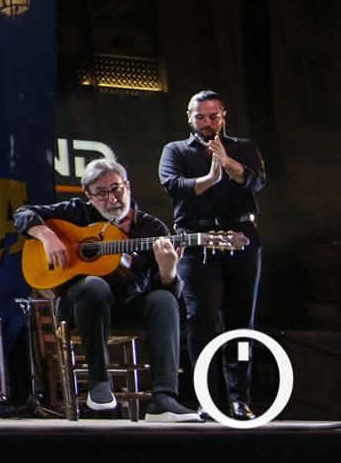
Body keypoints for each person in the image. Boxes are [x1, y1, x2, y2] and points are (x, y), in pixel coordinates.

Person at [15, 158, 202, 422]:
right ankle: (99, 383)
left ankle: (164, 399)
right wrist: (47, 236)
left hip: (125, 307)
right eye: (101, 193)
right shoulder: (77, 212)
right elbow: (22, 214)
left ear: (127, 186)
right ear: (89, 196)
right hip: (79, 306)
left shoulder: (153, 229)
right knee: (94, 286)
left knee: (163, 301)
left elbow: (171, 295)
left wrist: (168, 271)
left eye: (116, 188)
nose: (112, 198)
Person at [159, 90, 265, 420]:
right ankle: (207, 397)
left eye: (213, 116)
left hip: (240, 237)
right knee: (202, 317)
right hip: (196, 239)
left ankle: (239, 398)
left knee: (240, 322)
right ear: (188, 117)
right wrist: (209, 179)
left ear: (223, 116)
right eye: (200, 116)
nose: (207, 122)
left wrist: (227, 161)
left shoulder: (243, 147)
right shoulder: (175, 150)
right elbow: (173, 185)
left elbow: (256, 183)